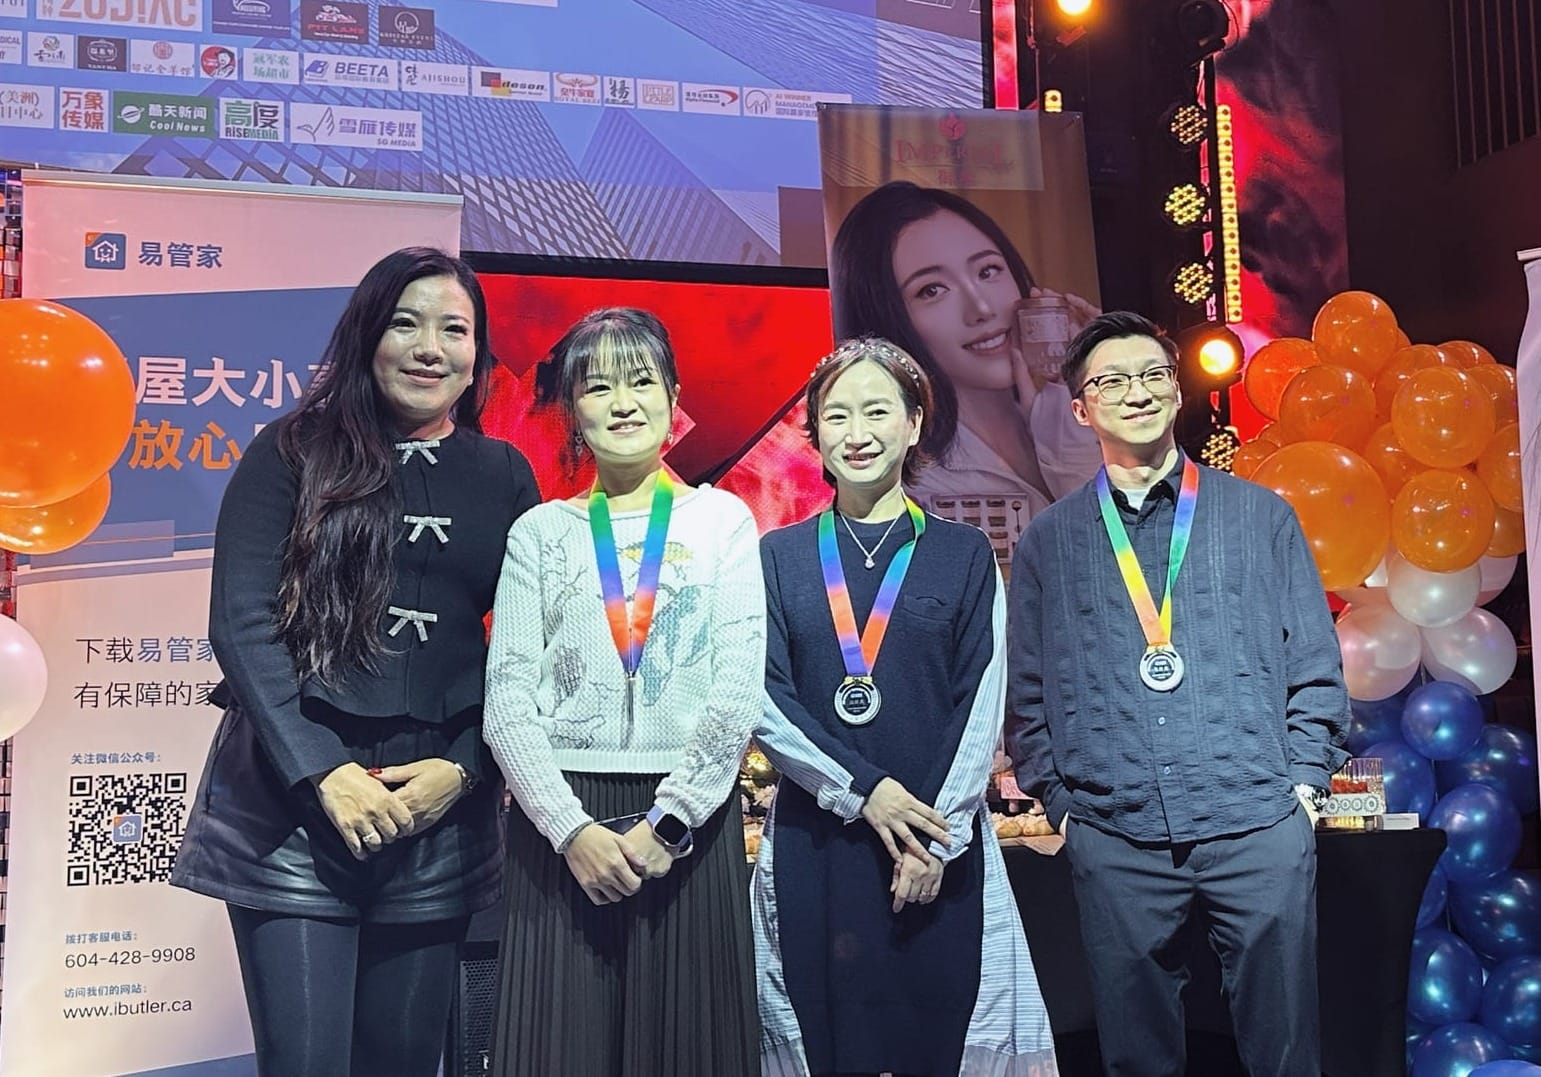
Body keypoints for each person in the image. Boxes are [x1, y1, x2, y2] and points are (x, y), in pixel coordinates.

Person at [171, 247, 541, 1076]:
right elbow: (241, 622)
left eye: (454, 330)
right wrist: (323, 772)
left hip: (436, 815)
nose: (429, 348)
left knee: (404, 1061)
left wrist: (465, 768)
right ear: (368, 334)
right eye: (405, 324)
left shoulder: (505, 474)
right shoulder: (290, 450)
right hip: (290, 811)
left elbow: (531, 648)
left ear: (477, 352)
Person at [1006, 312, 1349, 1076]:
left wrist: (1301, 788)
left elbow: (1314, 663)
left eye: (1152, 374)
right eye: (1111, 380)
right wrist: (1064, 808)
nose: (1137, 392)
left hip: (1255, 819)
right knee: (1137, 1058)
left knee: (1286, 1052)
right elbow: (1025, 693)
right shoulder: (1048, 541)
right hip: (1114, 830)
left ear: (1174, 388)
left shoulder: (1259, 517)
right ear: (1079, 408)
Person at [752, 336, 1058, 1077]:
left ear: (915, 423)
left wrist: (934, 840)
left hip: (933, 846)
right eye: (836, 415)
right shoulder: (777, 556)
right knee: (827, 1041)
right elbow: (761, 696)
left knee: (938, 1040)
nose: (856, 433)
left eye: (877, 411)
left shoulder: (963, 553)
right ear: (815, 433)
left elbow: (980, 700)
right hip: (816, 842)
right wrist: (864, 793)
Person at [483, 307, 765, 1077]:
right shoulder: (539, 531)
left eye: (640, 381)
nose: (621, 402)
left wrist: (667, 824)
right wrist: (569, 829)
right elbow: (506, 699)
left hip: (689, 826)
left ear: (673, 397)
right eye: (597, 386)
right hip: (561, 826)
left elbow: (737, 686)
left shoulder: (722, 520)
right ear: (572, 408)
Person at [829, 180, 1103, 521]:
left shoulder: (1076, 414)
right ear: (886, 317)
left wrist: (1102, 375)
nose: (982, 308)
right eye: (932, 290)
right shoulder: (907, 476)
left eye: (988, 271)